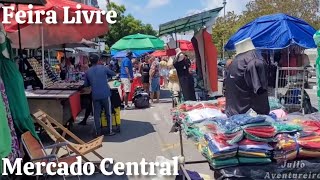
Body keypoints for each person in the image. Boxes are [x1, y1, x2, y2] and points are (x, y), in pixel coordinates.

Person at [83, 53, 117, 137]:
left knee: (96, 115)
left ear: (90, 61)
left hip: (95, 96)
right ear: (98, 61)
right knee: (108, 113)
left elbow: (86, 84)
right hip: (105, 94)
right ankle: (110, 131)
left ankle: (98, 133)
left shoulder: (87, 71)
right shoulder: (103, 68)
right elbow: (113, 74)